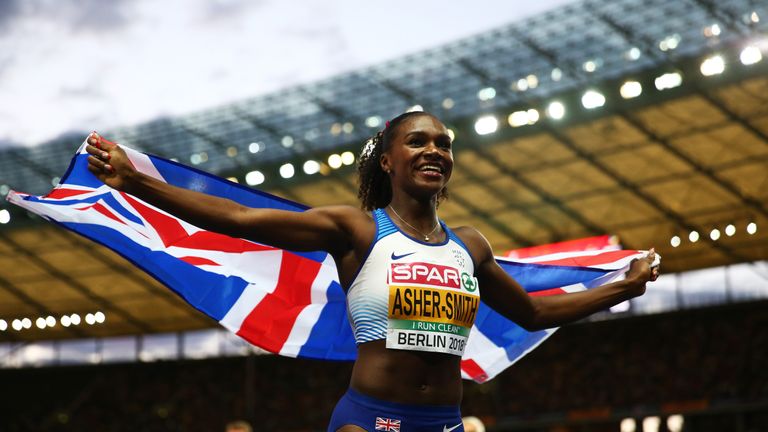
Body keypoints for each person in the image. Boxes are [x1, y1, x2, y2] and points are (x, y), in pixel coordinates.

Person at [85, 111, 658, 432]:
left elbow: (533, 312)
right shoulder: (356, 231)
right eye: (417, 142)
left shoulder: (471, 247)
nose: (435, 150)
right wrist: (135, 182)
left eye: (443, 143)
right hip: (370, 420)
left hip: (446, 424)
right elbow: (237, 218)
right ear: (388, 160)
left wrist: (621, 289)